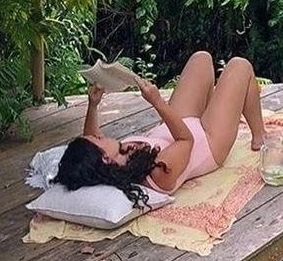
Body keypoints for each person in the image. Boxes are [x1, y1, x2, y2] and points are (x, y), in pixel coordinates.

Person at [53, 51, 265, 206]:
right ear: (105, 158)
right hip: (208, 142)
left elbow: (88, 142)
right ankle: (259, 134)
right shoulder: (157, 172)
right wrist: (157, 102)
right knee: (240, 66)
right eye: (98, 140)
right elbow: (186, 140)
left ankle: (214, 109)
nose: (98, 135)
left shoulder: (112, 159)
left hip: (175, 127)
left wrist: (93, 104)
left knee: (201, 59)